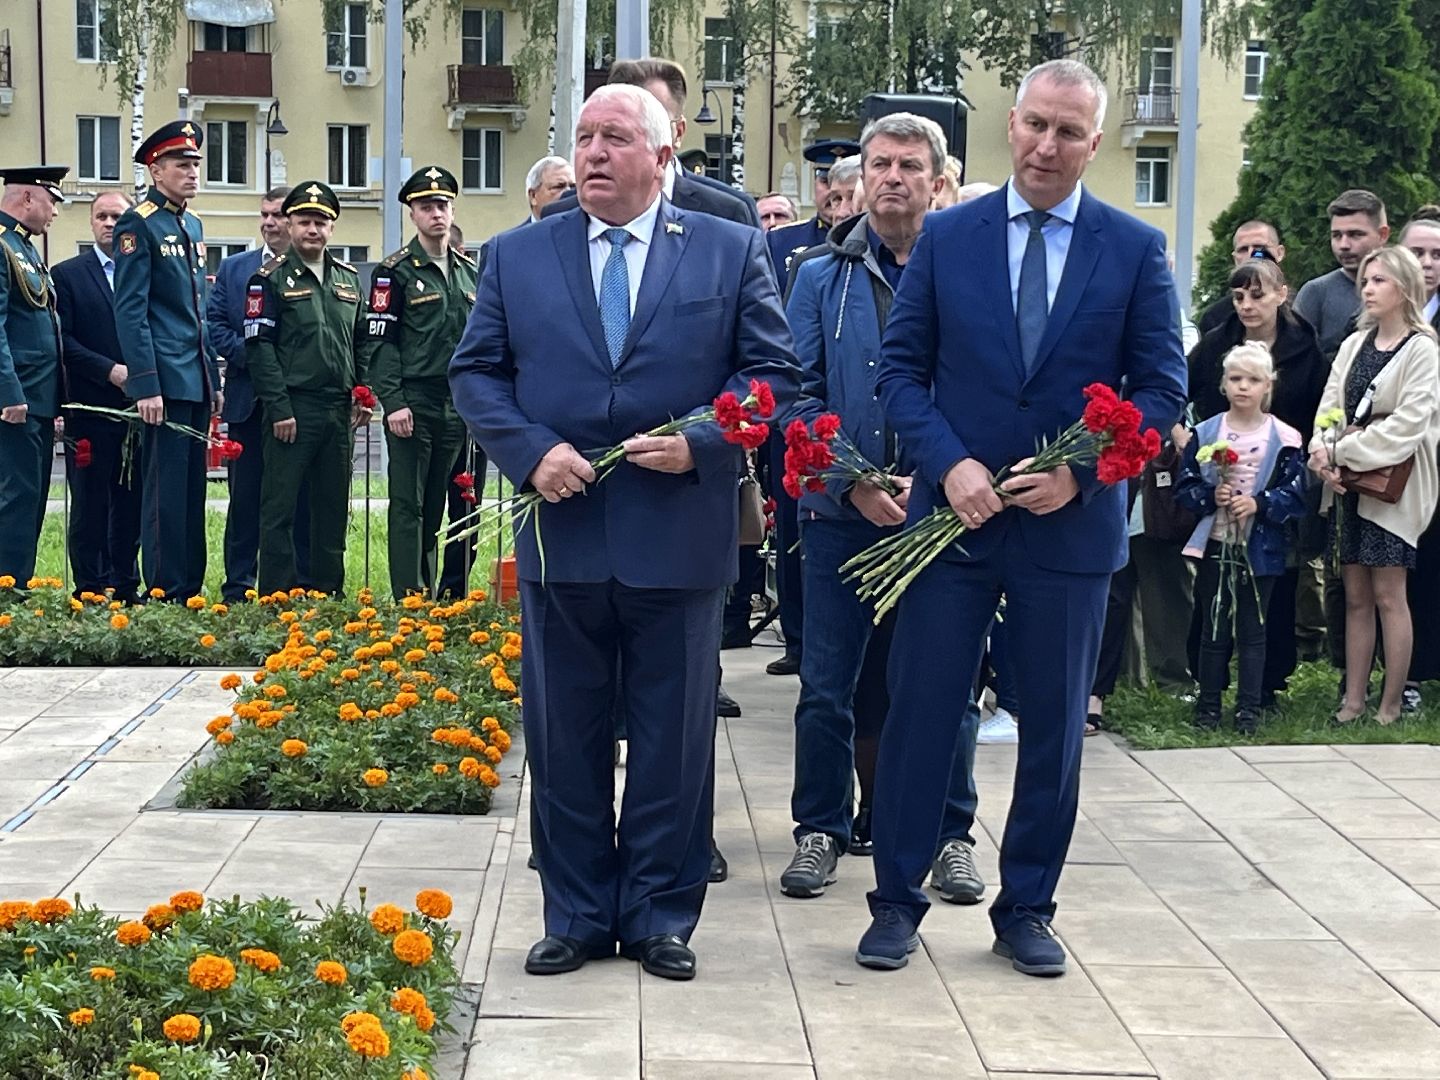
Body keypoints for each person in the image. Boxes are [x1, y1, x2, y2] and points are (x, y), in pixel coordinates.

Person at [449, 84, 800, 982]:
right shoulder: (516, 256)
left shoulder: (726, 250)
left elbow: (771, 376)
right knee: (563, 736)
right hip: (561, 537)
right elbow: (478, 373)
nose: (595, 152)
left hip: (676, 537)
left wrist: (703, 443)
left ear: (660, 156)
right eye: (585, 137)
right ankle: (573, 910)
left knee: (673, 738)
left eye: (615, 138)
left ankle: (657, 914)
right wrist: (530, 454)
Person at [856, 59, 1186, 977]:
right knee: (924, 714)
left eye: (1069, 132)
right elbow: (900, 373)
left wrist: (1080, 475)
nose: (1048, 145)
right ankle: (895, 901)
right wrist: (949, 463)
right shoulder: (948, 237)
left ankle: (1028, 908)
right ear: (1011, 123)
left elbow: (1160, 392)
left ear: (1094, 142)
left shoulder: (1133, 249)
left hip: (1067, 535)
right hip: (951, 526)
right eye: (1037, 124)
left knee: (1053, 727)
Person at [779, 113, 982, 904]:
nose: (892, 177)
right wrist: (851, 481)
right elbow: (793, 397)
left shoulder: (967, 273)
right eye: (879, 164)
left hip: (939, 517)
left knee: (949, 686)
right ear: (858, 179)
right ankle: (822, 829)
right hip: (839, 518)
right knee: (827, 685)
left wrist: (933, 481)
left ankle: (950, 834)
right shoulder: (818, 277)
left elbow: (986, 394)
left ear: (937, 179)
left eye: (909, 165)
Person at [1187, 257, 1327, 706]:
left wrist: (1302, 457)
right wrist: (1188, 440)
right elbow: (1178, 391)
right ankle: (1208, 684)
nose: (1247, 305)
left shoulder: (1303, 346)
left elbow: (1319, 407)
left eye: (1258, 295)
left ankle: (1265, 685)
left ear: (1282, 295)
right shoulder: (1215, 342)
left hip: (1279, 475)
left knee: (1275, 583)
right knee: (1213, 595)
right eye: (1238, 296)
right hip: (1221, 477)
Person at [1310, 245, 1440, 725]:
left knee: (1390, 595)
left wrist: (1341, 452)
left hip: (1394, 492)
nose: (1367, 289)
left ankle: (1390, 705)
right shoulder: (1353, 344)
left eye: (1379, 281)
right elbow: (1329, 407)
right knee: (1356, 596)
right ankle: (1353, 701)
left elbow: (1408, 426)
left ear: (1404, 287)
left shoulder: (1422, 350)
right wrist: (1321, 454)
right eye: (1366, 281)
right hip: (1345, 488)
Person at [112, 121, 222, 602]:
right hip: (164, 380)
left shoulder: (192, 224)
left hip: (194, 376)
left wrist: (213, 380)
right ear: (156, 171)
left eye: (196, 163)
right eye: (182, 164)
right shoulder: (139, 223)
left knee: (192, 493)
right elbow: (131, 311)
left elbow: (197, 310)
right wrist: (145, 383)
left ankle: (189, 590)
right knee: (164, 494)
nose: (192, 172)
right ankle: (163, 594)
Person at [244, 182, 371, 595]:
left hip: (338, 409)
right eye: (304, 221)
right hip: (293, 410)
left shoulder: (348, 279)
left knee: (332, 508)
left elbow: (363, 341)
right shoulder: (269, 279)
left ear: (332, 227)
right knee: (278, 509)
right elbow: (260, 349)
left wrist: (363, 392)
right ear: (290, 224)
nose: (312, 230)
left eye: (321, 222)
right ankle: (277, 596)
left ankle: (328, 594)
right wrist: (279, 408)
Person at [1175, 343, 1308, 733]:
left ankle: (1248, 709)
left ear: (1268, 385)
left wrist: (1260, 504)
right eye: (1235, 378)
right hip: (1217, 542)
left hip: (1260, 548)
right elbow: (1186, 485)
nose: (1243, 387)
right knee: (1214, 626)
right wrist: (1208, 496)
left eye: (1252, 380)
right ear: (1223, 384)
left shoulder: (1285, 438)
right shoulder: (1206, 433)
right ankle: (1208, 706)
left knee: (1253, 629)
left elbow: (1296, 493)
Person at [364, 166, 477, 599]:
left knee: (438, 505)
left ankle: (430, 594)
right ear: (412, 213)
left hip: (456, 404)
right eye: (427, 206)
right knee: (408, 505)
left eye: (443, 205)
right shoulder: (393, 272)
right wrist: (392, 401)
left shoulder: (468, 271)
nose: (437, 214)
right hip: (414, 400)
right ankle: (408, 596)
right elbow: (381, 343)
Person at [209, 186, 313, 603]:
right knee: (245, 499)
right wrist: (256, 357)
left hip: (299, 403)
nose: (269, 222)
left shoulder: (315, 270)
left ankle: (296, 585)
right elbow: (215, 325)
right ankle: (238, 587)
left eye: (277, 215)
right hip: (249, 403)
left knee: (299, 500)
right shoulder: (236, 269)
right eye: (264, 214)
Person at [542, 58, 761, 231]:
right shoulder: (558, 215)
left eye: (652, 121)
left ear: (678, 132)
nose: (597, 152)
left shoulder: (729, 213)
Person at [52, 189, 143, 601]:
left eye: (116, 217)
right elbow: (62, 341)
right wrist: (109, 370)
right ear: (91, 223)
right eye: (102, 216)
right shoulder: (68, 274)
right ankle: (89, 588)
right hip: (89, 409)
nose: (109, 223)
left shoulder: (142, 270)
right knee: (89, 503)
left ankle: (125, 585)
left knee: (130, 502)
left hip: (138, 411)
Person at [0, 167, 66, 589]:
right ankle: (7, 592)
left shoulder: (23, 248)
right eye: (51, 202)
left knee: (32, 500)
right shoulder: (2, 248)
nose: (54, 213)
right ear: (28, 198)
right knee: (15, 501)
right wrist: (9, 392)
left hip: (38, 399)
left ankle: (16, 587)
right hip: (17, 401)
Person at [1401, 208, 1440, 705]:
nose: (1428, 263)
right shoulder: (1381, 314)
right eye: (1418, 253)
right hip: (1400, 469)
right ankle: (1408, 673)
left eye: (1437, 255)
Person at [1295, 190, 1389, 360]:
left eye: (1355, 235)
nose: (1344, 245)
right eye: (1336, 236)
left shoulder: (1406, 290)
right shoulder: (1316, 293)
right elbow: (1297, 363)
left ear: (1382, 235)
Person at [766, 139, 857, 284]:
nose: (832, 192)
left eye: (849, 191)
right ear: (814, 183)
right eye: (825, 181)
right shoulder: (779, 241)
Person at [1196, 220, 1287, 335]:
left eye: (1259, 248)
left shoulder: (1303, 307)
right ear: (1235, 258)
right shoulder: (1216, 317)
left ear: (1279, 253)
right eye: (1243, 249)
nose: (1251, 255)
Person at [525, 156, 574, 223]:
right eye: (558, 187)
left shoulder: (588, 231)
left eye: (573, 187)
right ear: (533, 196)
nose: (569, 192)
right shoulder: (521, 233)